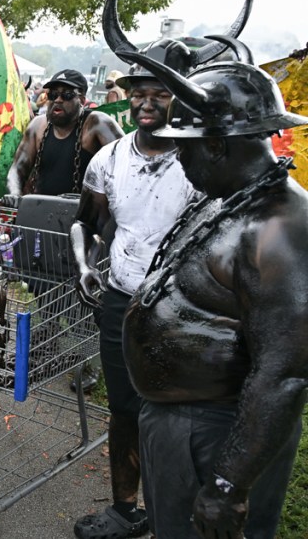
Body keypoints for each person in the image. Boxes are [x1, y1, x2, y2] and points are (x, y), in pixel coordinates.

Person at [115, 39, 308, 539]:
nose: (179, 158)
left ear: (218, 145)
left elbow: (284, 374)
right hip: (178, 423)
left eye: (186, 146)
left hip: (217, 431)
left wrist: (228, 484)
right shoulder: (226, 196)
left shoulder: (280, 228)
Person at [69, 64, 199, 539]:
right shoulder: (110, 157)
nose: (145, 103)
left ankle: (176, 515)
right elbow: (85, 221)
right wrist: (85, 265)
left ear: (181, 98)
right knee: (124, 408)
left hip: (185, 309)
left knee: (177, 417)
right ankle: (126, 510)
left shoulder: (201, 159)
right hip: (122, 301)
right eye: (137, 93)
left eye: (158, 94)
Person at [5, 69, 123, 202]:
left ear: (82, 100)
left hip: (82, 215)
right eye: (53, 94)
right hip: (38, 210)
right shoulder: (38, 126)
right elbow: (17, 169)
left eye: (67, 95)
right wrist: (14, 192)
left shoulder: (96, 123)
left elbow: (126, 164)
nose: (58, 100)